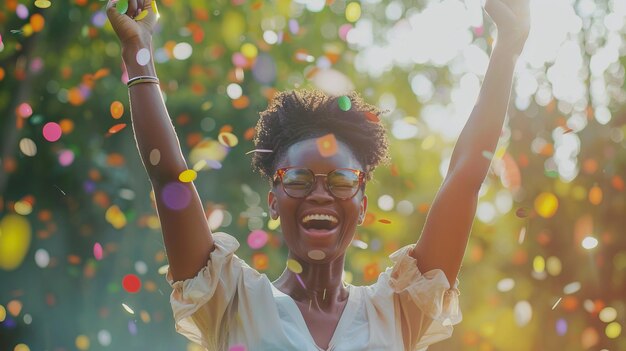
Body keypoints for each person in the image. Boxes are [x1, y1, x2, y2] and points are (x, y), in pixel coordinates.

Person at [106, 0, 530, 350]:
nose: (320, 194)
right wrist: (138, 50)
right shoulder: (230, 299)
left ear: (362, 204)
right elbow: (170, 179)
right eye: (298, 179)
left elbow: (466, 175)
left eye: (343, 180)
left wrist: (508, 46)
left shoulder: (399, 309)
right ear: (273, 199)